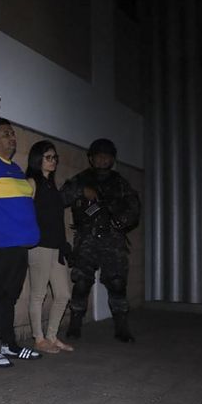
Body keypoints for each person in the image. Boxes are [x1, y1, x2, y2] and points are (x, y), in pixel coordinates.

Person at [61, 138, 141, 342]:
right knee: (81, 282)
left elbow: (134, 208)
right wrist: (81, 191)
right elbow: (61, 197)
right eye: (98, 156)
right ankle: (75, 324)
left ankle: (121, 326)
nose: (102, 160)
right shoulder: (81, 179)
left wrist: (121, 220)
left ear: (112, 159)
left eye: (107, 156)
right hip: (86, 239)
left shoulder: (120, 183)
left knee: (117, 282)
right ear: (91, 158)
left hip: (112, 239)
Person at [0, 118, 43, 367]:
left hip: (18, 246)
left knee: (9, 297)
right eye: (6, 134)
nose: (12, 138)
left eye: (13, 134)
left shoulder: (15, 168)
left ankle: (9, 344)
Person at [25, 141, 73, 353]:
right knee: (38, 294)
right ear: (38, 159)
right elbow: (25, 214)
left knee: (63, 294)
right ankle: (39, 338)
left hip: (56, 246)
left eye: (55, 158)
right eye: (48, 157)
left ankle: (52, 336)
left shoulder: (52, 185)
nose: (53, 161)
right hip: (39, 246)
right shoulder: (31, 182)